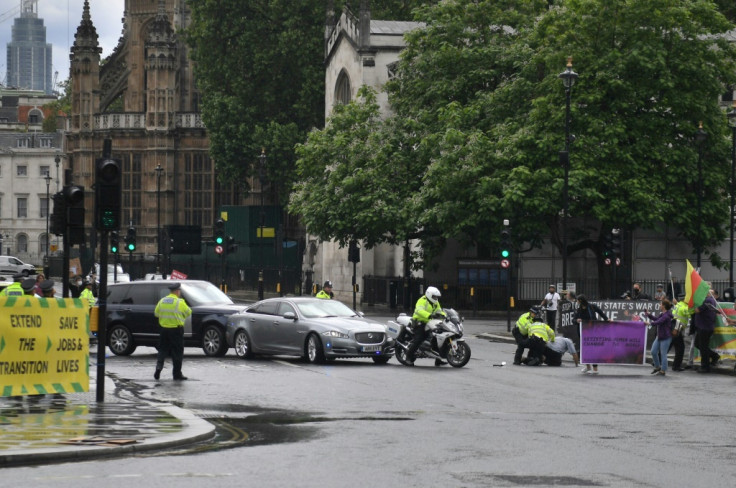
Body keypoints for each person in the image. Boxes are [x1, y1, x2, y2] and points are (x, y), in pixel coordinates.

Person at [154, 282, 192, 380]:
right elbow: (188, 312)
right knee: (177, 352)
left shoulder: (162, 301)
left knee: (162, 350)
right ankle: (177, 374)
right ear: (177, 291)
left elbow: (156, 313)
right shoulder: (180, 302)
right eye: (179, 291)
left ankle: (159, 367)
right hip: (176, 330)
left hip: (163, 330)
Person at [406, 286, 446, 366]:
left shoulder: (436, 303)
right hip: (419, 322)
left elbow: (439, 311)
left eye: (436, 297)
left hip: (430, 323)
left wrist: (444, 315)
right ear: (429, 295)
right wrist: (429, 315)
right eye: (434, 296)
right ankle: (408, 357)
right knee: (419, 339)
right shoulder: (422, 301)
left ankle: (438, 359)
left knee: (436, 339)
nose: (435, 298)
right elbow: (419, 310)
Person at [574, 294, 610, 374]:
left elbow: (600, 312)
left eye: (577, 300)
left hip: (593, 331)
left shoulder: (592, 307)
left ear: (580, 301)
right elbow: (574, 320)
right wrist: (577, 320)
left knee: (593, 349)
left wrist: (607, 319)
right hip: (583, 332)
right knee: (584, 349)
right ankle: (588, 367)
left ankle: (595, 369)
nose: (577, 302)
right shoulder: (578, 310)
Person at [692, 289, 720, 373]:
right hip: (704, 326)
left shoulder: (708, 300)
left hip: (704, 327)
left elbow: (697, 310)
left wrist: (692, 304)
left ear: (711, 294)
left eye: (707, 292)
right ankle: (714, 356)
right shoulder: (711, 301)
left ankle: (705, 366)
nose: (705, 293)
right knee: (698, 344)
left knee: (703, 347)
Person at [645, 299, 674, 376]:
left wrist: (649, 323)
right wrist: (649, 315)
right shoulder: (663, 314)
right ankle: (657, 366)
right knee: (653, 351)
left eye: (660, 304)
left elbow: (659, 322)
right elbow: (657, 319)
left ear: (664, 306)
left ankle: (663, 370)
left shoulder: (667, 315)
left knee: (663, 353)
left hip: (666, 337)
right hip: (660, 336)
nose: (659, 305)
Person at [670, 294, 693, 371]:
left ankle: (674, 365)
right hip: (678, 329)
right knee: (680, 349)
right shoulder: (685, 308)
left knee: (674, 347)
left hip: (673, 327)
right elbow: (691, 315)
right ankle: (676, 366)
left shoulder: (678, 305)